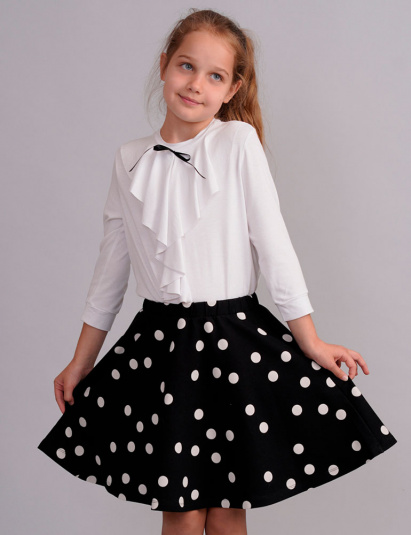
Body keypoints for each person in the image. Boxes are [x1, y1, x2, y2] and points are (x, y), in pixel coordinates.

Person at [37, 8, 397, 535]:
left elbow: (274, 245)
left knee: (228, 510)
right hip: (160, 349)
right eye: (186, 66)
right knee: (181, 512)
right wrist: (80, 361)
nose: (196, 84)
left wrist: (311, 341)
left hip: (233, 341)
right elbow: (109, 272)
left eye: (215, 76)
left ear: (232, 89)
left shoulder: (236, 142)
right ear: (164, 65)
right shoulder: (129, 158)